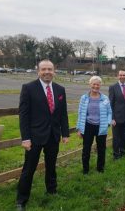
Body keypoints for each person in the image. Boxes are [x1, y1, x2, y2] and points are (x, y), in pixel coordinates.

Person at [16, 59, 69, 211]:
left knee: (51, 166)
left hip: (53, 136)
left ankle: (51, 190)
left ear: (54, 71)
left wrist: (65, 133)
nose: (47, 72)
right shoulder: (28, 88)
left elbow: (63, 114)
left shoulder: (60, 89)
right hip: (34, 137)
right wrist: (25, 138)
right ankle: (21, 200)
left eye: (50, 69)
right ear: (38, 71)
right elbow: (24, 115)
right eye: (44, 69)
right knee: (29, 169)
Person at [76, 76, 112, 174]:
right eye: (94, 84)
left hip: (101, 127)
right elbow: (80, 113)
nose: (95, 86)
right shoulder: (84, 98)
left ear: (100, 85)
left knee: (101, 149)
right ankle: (85, 170)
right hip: (88, 126)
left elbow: (109, 112)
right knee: (86, 149)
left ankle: (100, 169)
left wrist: (108, 123)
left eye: (97, 84)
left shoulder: (105, 98)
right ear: (90, 84)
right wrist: (79, 129)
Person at [109, 70, 125, 159]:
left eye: (124, 75)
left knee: (124, 136)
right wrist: (112, 118)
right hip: (116, 118)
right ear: (118, 76)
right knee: (116, 138)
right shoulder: (113, 87)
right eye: (120, 75)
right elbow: (110, 104)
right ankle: (116, 154)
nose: (122, 77)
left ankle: (123, 152)